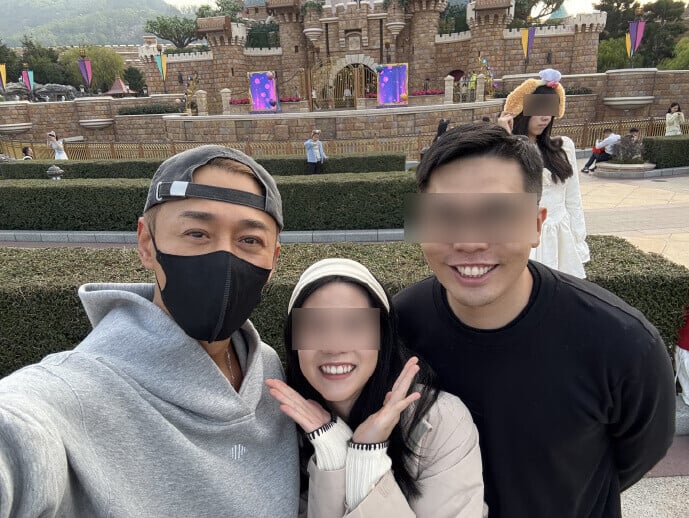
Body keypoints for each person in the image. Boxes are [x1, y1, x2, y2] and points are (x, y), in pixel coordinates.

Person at [394, 122, 676, 518]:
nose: (469, 241)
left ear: (536, 224)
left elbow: (638, 453)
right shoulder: (400, 325)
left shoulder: (622, 343)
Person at [0, 145, 299, 516]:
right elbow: (18, 430)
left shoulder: (268, 368)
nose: (225, 257)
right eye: (197, 233)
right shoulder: (73, 394)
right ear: (146, 244)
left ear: (273, 259)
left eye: (249, 240)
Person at [266, 258, 485, 517]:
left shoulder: (439, 421)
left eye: (354, 326)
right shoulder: (282, 429)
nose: (334, 346)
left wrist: (367, 459)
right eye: (315, 326)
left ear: (382, 337)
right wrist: (332, 450)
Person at [498, 68, 590, 278]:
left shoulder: (564, 147)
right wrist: (505, 137)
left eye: (549, 110)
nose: (545, 117)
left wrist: (578, 239)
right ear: (522, 110)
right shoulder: (509, 151)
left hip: (560, 238)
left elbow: (573, 199)